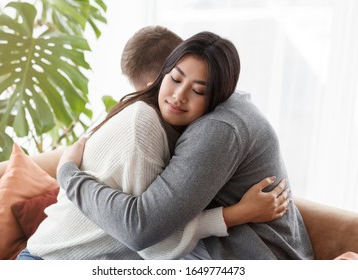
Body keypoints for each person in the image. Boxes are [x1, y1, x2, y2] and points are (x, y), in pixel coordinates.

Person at [17, 30, 290, 260]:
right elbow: (147, 238)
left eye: (198, 91)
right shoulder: (143, 125)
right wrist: (67, 174)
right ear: (160, 76)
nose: (179, 96)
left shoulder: (189, 130)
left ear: (217, 99)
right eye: (175, 79)